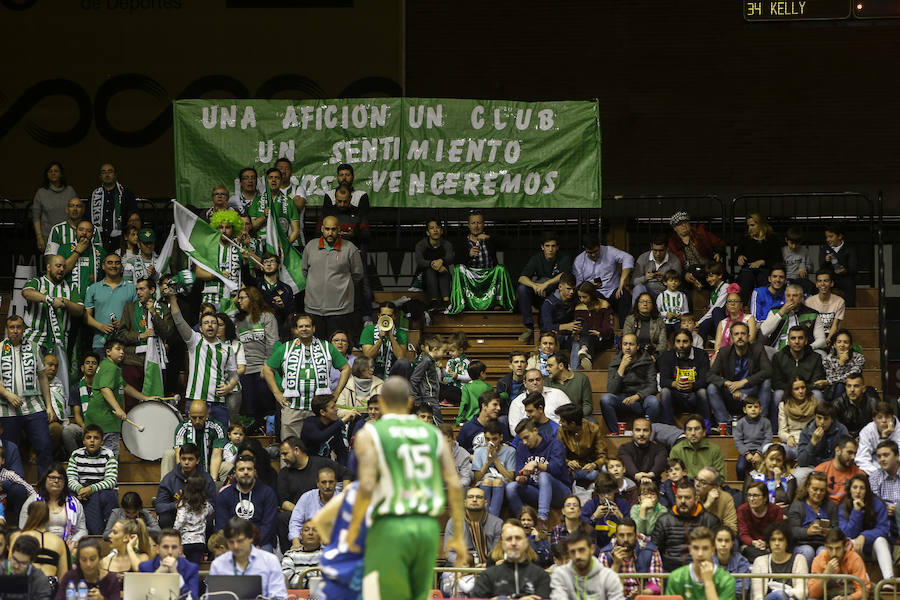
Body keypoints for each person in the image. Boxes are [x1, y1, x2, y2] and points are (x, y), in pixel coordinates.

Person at [347, 376, 467, 600]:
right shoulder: (433, 435)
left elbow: (364, 484)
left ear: (382, 403)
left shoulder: (370, 434)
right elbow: (454, 483)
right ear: (410, 403)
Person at [263, 312, 350, 439]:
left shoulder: (327, 347)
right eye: (301, 326)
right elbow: (267, 369)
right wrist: (277, 393)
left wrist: (336, 393)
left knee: (320, 446)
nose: (304, 329)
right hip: (292, 407)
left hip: (319, 410)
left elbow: (346, 368)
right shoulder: (285, 348)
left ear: (313, 328)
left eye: (307, 326)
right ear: (296, 329)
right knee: (290, 448)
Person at [0, 314, 54, 478]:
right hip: (6, 409)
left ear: (23, 329)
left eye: (18, 327)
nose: (15, 331)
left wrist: (49, 405)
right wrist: (7, 394)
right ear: (7, 329)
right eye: (12, 327)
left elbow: (42, 376)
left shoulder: (34, 347)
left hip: (34, 407)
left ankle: (46, 489)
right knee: (9, 451)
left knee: (44, 445)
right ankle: (15, 488)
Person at [276, 436, 352, 552]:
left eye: (285, 454)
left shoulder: (322, 463)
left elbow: (347, 473)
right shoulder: (285, 473)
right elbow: (283, 501)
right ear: (317, 483)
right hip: (302, 513)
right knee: (283, 518)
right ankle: (290, 555)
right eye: (282, 454)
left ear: (296, 450)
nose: (283, 458)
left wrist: (344, 497)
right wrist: (303, 511)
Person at [84, 338, 158, 456]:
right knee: (110, 459)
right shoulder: (110, 368)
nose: (122, 352)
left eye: (123, 350)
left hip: (98, 420)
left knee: (97, 458)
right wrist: (118, 408)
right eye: (118, 349)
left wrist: (144, 397)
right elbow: (105, 389)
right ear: (108, 352)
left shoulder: (109, 366)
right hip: (105, 421)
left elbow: (125, 387)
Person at [303, 215, 364, 340]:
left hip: (340, 310)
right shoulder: (310, 246)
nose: (330, 233)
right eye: (327, 229)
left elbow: (357, 275)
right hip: (313, 308)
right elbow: (304, 271)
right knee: (316, 348)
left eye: (333, 229)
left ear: (339, 229)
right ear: (322, 229)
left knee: (337, 350)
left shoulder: (350, 248)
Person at [115, 277, 172, 408]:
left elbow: (167, 332)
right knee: (131, 402)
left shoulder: (163, 308)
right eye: (137, 290)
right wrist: (140, 336)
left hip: (156, 361)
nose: (138, 293)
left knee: (154, 402)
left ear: (152, 290)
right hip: (133, 361)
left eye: (142, 289)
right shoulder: (130, 308)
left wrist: (153, 312)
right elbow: (121, 334)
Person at [707, 320, 773, 431]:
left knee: (766, 382)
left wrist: (743, 382)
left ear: (748, 336)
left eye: (743, 334)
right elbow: (710, 375)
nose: (740, 337)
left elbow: (768, 371)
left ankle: (761, 423)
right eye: (736, 334)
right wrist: (728, 384)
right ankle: (726, 425)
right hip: (731, 393)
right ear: (732, 338)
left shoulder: (758, 349)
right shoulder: (724, 352)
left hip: (752, 392)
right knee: (711, 388)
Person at [505, 419, 571, 530]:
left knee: (543, 476)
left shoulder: (555, 444)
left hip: (560, 492)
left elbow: (557, 469)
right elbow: (519, 471)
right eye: (521, 439)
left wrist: (536, 464)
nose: (524, 442)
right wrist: (521, 478)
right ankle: (524, 523)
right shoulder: (522, 447)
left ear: (535, 430)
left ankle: (542, 519)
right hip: (537, 491)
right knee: (511, 487)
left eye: (526, 437)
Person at [448, 210, 515, 314]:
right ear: (468, 225)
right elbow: (456, 262)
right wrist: (468, 255)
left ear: (483, 224)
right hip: (470, 277)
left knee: (501, 269)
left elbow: (508, 244)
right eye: (473, 223)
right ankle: (461, 303)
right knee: (458, 269)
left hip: (489, 275)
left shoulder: (489, 237)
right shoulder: (462, 241)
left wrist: (489, 237)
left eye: (479, 223)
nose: (476, 226)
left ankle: (499, 303)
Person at [470, 519, 551, 600]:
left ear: (526, 542)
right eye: (509, 539)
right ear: (502, 544)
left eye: (518, 538)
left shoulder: (541, 576)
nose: (513, 543)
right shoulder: (487, 576)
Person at [234, 286, 279, 428]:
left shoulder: (267, 316)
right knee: (251, 408)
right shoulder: (238, 320)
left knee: (267, 404)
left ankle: (270, 434)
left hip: (263, 368)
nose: (239, 301)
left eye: (242, 298)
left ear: (252, 298)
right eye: (238, 298)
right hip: (246, 369)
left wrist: (267, 366)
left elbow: (272, 343)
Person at [209, 517, 287, 599]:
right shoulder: (218, 564)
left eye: (240, 541)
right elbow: (212, 596)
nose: (236, 546)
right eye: (231, 542)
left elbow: (279, 596)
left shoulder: (270, 561)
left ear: (250, 538)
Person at [599, 333, 662, 432]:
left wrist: (637, 396)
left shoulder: (647, 360)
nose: (627, 347)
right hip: (623, 399)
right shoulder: (616, 360)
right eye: (625, 344)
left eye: (631, 344)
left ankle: (648, 433)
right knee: (605, 399)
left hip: (641, 399)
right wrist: (622, 367)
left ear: (637, 347)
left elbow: (653, 386)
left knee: (653, 401)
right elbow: (611, 389)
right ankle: (616, 432)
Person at [214, 454, 278, 550]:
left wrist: (252, 543)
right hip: (232, 542)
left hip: (260, 542)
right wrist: (236, 543)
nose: (246, 472)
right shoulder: (224, 495)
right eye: (241, 469)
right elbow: (221, 526)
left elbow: (268, 526)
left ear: (254, 472)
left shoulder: (267, 493)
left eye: (249, 469)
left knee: (266, 550)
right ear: (235, 473)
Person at [516, 232, 572, 342]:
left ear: (557, 247)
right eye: (547, 246)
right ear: (542, 247)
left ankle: (551, 329)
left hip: (554, 294)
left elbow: (565, 275)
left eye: (553, 246)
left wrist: (546, 284)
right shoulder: (536, 259)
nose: (550, 249)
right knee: (522, 288)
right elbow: (521, 278)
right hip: (538, 293)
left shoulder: (563, 258)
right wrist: (535, 286)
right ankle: (529, 326)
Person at [837, 473, 893, 581]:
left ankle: (889, 580)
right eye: (855, 487)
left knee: (880, 540)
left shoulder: (877, 503)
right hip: (856, 550)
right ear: (850, 489)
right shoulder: (843, 505)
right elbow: (847, 533)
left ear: (867, 490)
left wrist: (864, 536)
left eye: (862, 488)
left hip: (875, 549)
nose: (858, 491)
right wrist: (856, 512)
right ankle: (864, 581)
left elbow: (884, 529)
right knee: (849, 542)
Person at [66, 425, 118, 535]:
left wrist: (91, 489)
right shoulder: (76, 455)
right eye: (88, 438)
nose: (92, 441)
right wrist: (80, 489)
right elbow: (70, 479)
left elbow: (111, 480)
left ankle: (104, 531)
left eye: (96, 438)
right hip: (80, 488)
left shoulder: (108, 454)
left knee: (109, 495)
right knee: (67, 494)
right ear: (84, 441)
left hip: (100, 488)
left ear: (102, 442)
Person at [21, 465, 87, 551]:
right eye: (52, 477)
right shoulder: (33, 500)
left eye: (60, 478)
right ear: (45, 479)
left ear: (65, 482)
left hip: (68, 547)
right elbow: (23, 527)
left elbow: (82, 530)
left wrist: (73, 541)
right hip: (38, 545)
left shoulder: (75, 503)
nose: (56, 481)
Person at [573, 235, 634, 326]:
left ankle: (624, 331)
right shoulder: (579, 260)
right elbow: (579, 285)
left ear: (600, 246)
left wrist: (622, 281)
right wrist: (589, 285)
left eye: (596, 251)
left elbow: (628, 258)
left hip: (614, 290)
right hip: (595, 293)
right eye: (590, 253)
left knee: (624, 296)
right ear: (584, 249)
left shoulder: (610, 251)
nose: (593, 255)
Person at [155, 442, 216, 530]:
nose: (186, 462)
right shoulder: (169, 479)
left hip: (199, 515)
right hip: (176, 515)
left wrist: (197, 507)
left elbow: (213, 505)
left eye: (190, 459)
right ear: (179, 459)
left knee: (210, 520)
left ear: (197, 460)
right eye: (183, 459)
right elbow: (159, 507)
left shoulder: (206, 479)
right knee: (164, 518)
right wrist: (176, 506)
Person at [665, 526, 736, 600]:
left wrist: (708, 582)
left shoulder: (727, 580)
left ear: (712, 551)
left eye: (705, 548)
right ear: (690, 550)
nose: (700, 554)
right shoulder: (676, 578)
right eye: (696, 548)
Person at [551, 529, 625, 600]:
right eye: (573, 552)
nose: (577, 556)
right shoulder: (560, 575)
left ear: (592, 549)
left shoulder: (608, 577)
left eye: (581, 550)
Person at [658, 328, 711, 422]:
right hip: (676, 395)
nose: (681, 345)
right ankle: (668, 425)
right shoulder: (667, 355)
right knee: (665, 391)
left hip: (694, 394)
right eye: (678, 341)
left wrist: (692, 385)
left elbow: (705, 380)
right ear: (674, 343)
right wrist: (674, 384)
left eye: (685, 341)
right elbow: (663, 381)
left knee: (702, 392)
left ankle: (706, 425)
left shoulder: (701, 354)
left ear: (691, 342)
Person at [787, 471, 839, 566]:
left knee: (823, 552)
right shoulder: (798, 505)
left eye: (822, 490)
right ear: (808, 488)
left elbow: (837, 529)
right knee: (808, 551)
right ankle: (803, 580)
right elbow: (792, 531)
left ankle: (822, 580)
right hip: (801, 544)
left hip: (824, 543)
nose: (818, 493)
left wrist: (829, 532)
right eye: (815, 489)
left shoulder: (831, 506)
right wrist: (808, 532)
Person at [443, 486, 503, 567]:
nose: (474, 500)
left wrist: (487, 565)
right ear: (465, 502)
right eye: (470, 497)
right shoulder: (454, 522)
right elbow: (449, 552)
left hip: (488, 567)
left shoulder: (497, 523)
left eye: (479, 497)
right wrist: (463, 562)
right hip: (460, 566)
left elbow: (496, 552)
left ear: (486, 503)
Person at [10, 501, 68, 581]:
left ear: (29, 516)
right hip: (50, 587)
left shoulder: (18, 536)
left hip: (26, 584)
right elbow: (63, 577)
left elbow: (11, 568)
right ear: (48, 517)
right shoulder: (59, 541)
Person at [750, 521, 809, 600]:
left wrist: (792, 598)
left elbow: (802, 589)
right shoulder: (759, 561)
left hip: (792, 599)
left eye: (780, 539)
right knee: (779, 594)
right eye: (773, 540)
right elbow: (758, 595)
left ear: (787, 542)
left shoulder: (799, 559)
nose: (777, 543)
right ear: (769, 542)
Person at [668, 211, 726, 290]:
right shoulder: (672, 243)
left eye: (685, 222)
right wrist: (684, 274)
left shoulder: (700, 233)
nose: (683, 226)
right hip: (689, 272)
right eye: (679, 224)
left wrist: (718, 253)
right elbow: (673, 265)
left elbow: (719, 243)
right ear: (675, 228)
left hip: (707, 268)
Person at [761, 283, 827, 352]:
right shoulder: (775, 311)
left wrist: (808, 348)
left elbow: (822, 340)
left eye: (795, 295)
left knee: (821, 353)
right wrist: (780, 313)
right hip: (777, 350)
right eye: (788, 296)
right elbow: (763, 332)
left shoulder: (812, 314)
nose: (791, 298)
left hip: (804, 351)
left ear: (801, 298)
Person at [808, 528, 869, 600]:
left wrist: (847, 598)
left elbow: (864, 591)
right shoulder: (819, 559)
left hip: (848, 595)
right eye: (830, 548)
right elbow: (813, 594)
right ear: (826, 546)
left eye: (838, 548)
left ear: (845, 547)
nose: (834, 553)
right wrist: (826, 574)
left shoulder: (854, 559)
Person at [507, 368, 571, 436]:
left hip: (559, 436)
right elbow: (514, 430)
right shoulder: (517, 402)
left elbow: (570, 416)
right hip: (530, 440)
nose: (535, 383)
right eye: (531, 380)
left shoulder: (558, 394)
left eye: (538, 379)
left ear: (543, 381)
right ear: (525, 383)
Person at [556, 403, 608, 487]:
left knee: (604, 470)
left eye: (562, 421)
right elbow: (558, 454)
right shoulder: (561, 431)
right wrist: (568, 462)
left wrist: (594, 464)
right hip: (572, 469)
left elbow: (603, 455)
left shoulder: (594, 429)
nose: (560, 422)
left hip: (590, 467)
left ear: (572, 423)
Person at [138, 529, 199, 599]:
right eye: (165, 547)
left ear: (180, 549)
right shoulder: (145, 567)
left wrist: (176, 575)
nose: (170, 552)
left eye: (174, 547)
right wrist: (157, 574)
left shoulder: (191, 568)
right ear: (158, 549)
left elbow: (192, 598)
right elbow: (141, 597)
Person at [736, 212, 783, 303]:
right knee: (746, 278)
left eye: (752, 225)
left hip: (765, 270)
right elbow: (736, 255)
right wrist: (739, 257)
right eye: (749, 226)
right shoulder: (745, 239)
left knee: (763, 279)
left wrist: (762, 262)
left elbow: (778, 260)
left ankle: (766, 306)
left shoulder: (771, 239)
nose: (750, 228)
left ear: (760, 224)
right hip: (748, 270)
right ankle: (742, 306)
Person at [287, 466, 337, 550]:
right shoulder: (307, 497)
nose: (327, 486)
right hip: (310, 546)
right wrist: (296, 542)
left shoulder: (344, 500)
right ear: (317, 483)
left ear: (336, 483)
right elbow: (295, 522)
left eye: (331, 482)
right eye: (323, 482)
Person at [33, 162, 78, 253]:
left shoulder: (70, 191)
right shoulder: (41, 192)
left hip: (69, 236)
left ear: (61, 174)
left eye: (56, 171)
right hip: (48, 237)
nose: (53, 173)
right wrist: (39, 237)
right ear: (47, 175)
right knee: (51, 265)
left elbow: (77, 213)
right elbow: (36, 217)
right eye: (50, 171)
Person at [56, 537, 120, 600]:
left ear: (99, 559)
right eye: (84, 560)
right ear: (78, 560)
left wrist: (102, 599)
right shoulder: (70, 577)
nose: (88, 564)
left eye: (92, 559)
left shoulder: (111, 579)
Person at [738, 480, 785, 562]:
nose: (751, 499)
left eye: (755, 495)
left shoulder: (776, 510)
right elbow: (743, 534)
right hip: (751, 545)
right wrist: (754, 543)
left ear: (765, 498)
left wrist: (766, 544)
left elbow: (778, 532)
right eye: (749, 495)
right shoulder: (742, 510)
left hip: (771, 545)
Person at [301, 395, 357, 465]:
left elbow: (341, 451)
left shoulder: (334, 424)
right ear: (322, 412)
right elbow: (320, 437)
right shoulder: (309, 423)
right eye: (333, 407)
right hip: (308, 466)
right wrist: (342, 421)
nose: (336, 409)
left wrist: (344, 470)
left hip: (327, 466)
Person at [571, 281, 615, 370]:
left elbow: (608, 328)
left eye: (584, 297)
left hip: (602, 338)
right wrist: (575, 331)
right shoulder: (579, 308)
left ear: (592, 295)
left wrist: (599, 332)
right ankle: (585, 358)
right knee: (578, 338)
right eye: (580, 297)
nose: (582, 300)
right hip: (585, 336)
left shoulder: (604, 305)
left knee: (589, 338)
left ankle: (583, 356)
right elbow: (578, 325)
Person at [360, 301, 408, 381]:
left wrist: (391, 335)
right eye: (383, 315)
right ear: (379, 316)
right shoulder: (368, 330)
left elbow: (401, 357)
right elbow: (368, 356)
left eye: (389, 316)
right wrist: (380, 339)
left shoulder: (401, 333)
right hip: (373, 370)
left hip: (393, 371)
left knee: (404, 363)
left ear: (395, 317)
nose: (386, 318)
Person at [669, 414, 726, 479]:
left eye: (697, 429)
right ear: (685, 433)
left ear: (704, 432)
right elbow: (673, 475)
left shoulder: (715, 449)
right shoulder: (676, 450)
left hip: (707, 486)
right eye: (689, 429)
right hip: (685, 487)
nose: (693, 433)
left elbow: (720, 477)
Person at [414, 218, 454, 308]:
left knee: (443, 270)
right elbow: (419, 261)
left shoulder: (447, 244)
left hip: (443, 275)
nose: (435, 230)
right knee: (430, 271)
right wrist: (432, 264)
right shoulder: (421, 245)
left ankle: (446, 301)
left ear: (441, 231)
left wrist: (441, 261)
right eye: (432, 228)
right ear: (428, 232)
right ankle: (434, 302)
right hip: (424, 278)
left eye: (437, 228)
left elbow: (450, 258)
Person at [632, 234, 682, 305]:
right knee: (638, 288)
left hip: (666, 293)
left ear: (667, 248)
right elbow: (633, 282)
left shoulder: (674, 260)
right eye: (655, 250)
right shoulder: (643, 258)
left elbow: (678, 284)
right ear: (651, 247)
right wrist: (645, 278)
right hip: (647, 294)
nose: (657, 254)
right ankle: (636, 314)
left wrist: (664, 280)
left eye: (661, 251)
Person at [744, 444, 797, 512]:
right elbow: (746, 501)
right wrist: (769, 508)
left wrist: (778, 481)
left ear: (783, 462)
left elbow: (784, 502)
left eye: (778, 460)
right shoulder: (753, 476)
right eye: (771, 459)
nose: (774, 463)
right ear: (765, 458)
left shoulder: (789, 478)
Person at [797, 402, 849, 471]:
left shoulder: (841, 430)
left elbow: (844, 457)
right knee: (798, 476)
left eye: (826, 419)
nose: (822, 422)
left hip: (834, 467)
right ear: (815, 417)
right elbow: (801, 462)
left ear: (832, 419)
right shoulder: (807, 431)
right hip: (811, 467)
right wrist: (813, 442)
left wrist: (825, 466)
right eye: (819, 418)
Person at [100, 518, 150, 589]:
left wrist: (129, 547)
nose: (109, 536)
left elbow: (139, 571)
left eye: (114, 532)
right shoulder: (105, 561)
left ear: (126, 537)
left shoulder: (143, 558)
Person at [855, 400, 900, 476]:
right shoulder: (867, 431)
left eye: (887, 417)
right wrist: (879, 475)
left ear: (892, 418)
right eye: (880, 417)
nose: (884, 421)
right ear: (874, 420)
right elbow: (862, 458)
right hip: (874, 471)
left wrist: (885, 437)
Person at [618, 417, 669, 484]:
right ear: (632, 432)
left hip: (653, 486)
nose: (641, 434)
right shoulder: (624, 448)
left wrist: (649, 475)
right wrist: (638, 475)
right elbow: (628, 465)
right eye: (638, 430)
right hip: (631, 486)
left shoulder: (660, 449)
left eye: (645, 430)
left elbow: (659, 465)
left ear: (651, 432)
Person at [814, 435, 862, 504]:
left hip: (848, 510)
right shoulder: (820, 470)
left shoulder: (859, 474)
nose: (853, 457)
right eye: (850, 453)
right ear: (837, 450)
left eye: (855, 454)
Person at [779, 377, 819, 460]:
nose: (801, 391)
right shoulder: (784, 405)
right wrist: (788, 437)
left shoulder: (815, 404)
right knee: (767, 448)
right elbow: (782, 431)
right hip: (792, 444)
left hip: (810, 443)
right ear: (791, 391)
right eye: (796, 389)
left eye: (803, 388)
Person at [832, 372, 881, 439]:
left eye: (856, 386)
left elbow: (877, 428)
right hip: (845, 440)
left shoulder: (873, 404)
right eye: (849, 386)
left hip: (867, 439)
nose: (852, 390)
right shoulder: (837, 404)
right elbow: (836, 429)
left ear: (863, 389)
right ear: (845, 388)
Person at [3, 535, 52, 600]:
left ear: (32, 561)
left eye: (23, 563)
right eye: (14, 559)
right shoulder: (2, 570)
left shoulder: (40, 580)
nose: (16, 566)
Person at [735, 396, 773, 479]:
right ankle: (741, 488)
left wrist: (759, 452)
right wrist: (746, 453)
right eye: (750, 407)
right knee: (740, 468)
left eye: (756, 407)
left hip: (762, 451)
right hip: (746, 452)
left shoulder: (766, 422)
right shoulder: (741, 423)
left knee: (765, 468)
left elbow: (768, 438)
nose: (753, 409)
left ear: (760, 409)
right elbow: (738, 440)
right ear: (745, 410)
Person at [820, 223, 857, 307]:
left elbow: (853, 268)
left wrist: (845, 271)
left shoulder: (849, 249)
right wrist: (826, 261)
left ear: (839, 236)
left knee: (850, 283)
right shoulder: (824, 249)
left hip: (845, 278)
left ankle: (849, 309)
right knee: (821, 283)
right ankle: (823, 309)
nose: (828, 239)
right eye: (827, 237)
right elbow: (821, 268)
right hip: (830, 278)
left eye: (831, 236)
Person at [539, 273, 579, 350]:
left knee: (579, 341)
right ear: (560, 287)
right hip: (551, 336)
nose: (572, 292)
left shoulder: (576, 301)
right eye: (568, 288)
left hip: (570, 335)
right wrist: (566, 326)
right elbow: (547, 327)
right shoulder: (549, 303)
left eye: (574, 289)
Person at [806, 269, 846, 346]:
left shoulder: (839, 301)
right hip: (814, 335)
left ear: (831, 283)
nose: (823, 284)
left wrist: (828, 339)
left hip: (831, 336)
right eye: (820, 281)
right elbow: (808, 323)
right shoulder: (809, 301)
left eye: (826, 281)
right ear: (816, 284)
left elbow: (835, 326)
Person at [713, 288, 758, 355]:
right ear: (727, 305)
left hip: (745, 353)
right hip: (724, 355)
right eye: (730, 301)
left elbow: (751, 339)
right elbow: (717, 345)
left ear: (741, 305)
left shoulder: (749, 318)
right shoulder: (722, 323)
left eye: (736, 301)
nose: (733, 304)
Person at [546, 352, 592, 416]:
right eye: (547, 366)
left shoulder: (581, 378)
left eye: (550, 366)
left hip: (578, 417)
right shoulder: (546, 382)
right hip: (556, 418)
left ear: (561, 366)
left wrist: (578, 418)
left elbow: (587, 405)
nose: (547, 369)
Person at [711, 525, 752, 599]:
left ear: (732, 543)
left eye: (727, 541)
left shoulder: (742, 562)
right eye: (719, 540)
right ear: (714, 542)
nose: (723, 544)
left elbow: (741, 590)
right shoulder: (707, 561)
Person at [823, 331, 866, 401]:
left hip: (854, 386)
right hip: (833, 390)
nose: (842, 345)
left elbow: (851, 377)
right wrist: (840, 363)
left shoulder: (859, 358)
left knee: (841, 386)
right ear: (834, 344)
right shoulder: (827, 359)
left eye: (845, 342)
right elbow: (830, 378)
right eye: (839, 342)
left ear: (850, 345)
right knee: (839, 386)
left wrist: (828, 381)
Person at [695, 466, 738, 536]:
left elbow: (732, 528)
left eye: (703, 482)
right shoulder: (690, 495)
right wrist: (707, 504)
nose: (697, 484)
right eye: (696, 479)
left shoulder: (726, 498)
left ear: (714, 487)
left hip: (719, 538)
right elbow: (689, 524)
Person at [281, 520, 322, 589]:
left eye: (315, 530)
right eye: (306, 530)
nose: (310, 533)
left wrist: (302, 577)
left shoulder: (329, 555)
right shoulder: (290, 555)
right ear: (301, 535)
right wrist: (316, 580)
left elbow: (332, 579)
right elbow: (289, 580)